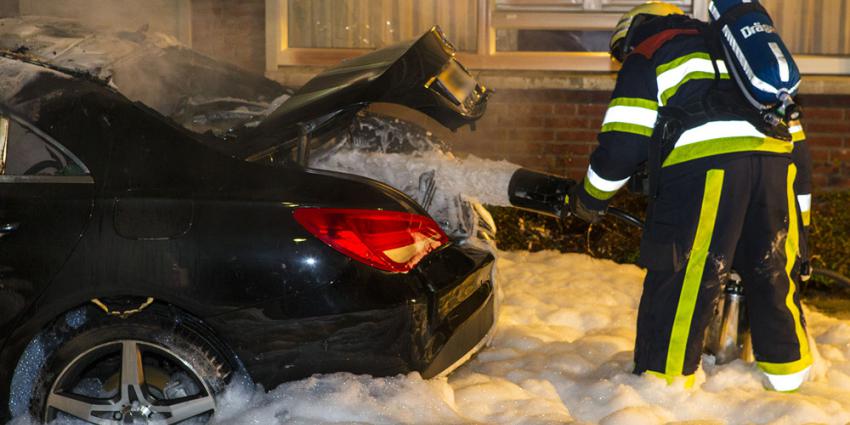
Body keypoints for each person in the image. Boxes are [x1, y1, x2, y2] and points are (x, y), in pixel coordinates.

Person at [567, 1, 814, 392]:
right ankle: (789, 379)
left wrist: (590, 199)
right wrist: (803, 225)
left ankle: (663, 385)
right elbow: (796, 140)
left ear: (631, 32)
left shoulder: (649, 49)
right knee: (772, 270)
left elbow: (622, 145)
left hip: (708, 168)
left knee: (688, 273)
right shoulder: (734, 47)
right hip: (776, 164)